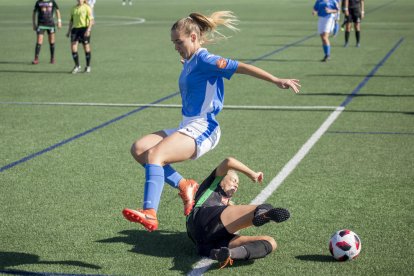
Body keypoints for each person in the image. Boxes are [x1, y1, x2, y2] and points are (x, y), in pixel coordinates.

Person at [122, 11, 300, 232]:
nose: (176, 46)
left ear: (194, 38)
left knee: (156, 155)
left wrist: (276, 80)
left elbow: (240, 67)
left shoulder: (206, 59)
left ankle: (150, 213)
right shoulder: (189, 60)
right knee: (139, 149)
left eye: (179, 41)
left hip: (204, 127)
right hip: (187, 125)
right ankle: (185, 185)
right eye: (173, 43)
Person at [186, 157, 290, 268]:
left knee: (270, 242)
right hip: (202, 217)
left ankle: (229, 254)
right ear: (221, 178)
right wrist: (252, 174)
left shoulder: (226, 204)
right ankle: (262, 214)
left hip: (205, 244)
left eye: (237, 184)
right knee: (266, 207)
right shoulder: (213, 185)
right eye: (233, 180)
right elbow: (229, 161)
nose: (236, 185)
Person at [66, 0, 94, 74]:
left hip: (84, 29)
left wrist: (88, 30)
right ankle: (77, 66)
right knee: (73, 47)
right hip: (75, 30)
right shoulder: (73, 8)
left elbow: (91, 20)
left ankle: (88, 66)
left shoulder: (87, 7)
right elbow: (71, 21)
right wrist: (68, 31)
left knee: (86, 47)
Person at [32, 0, 62, 65]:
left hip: (51, 24)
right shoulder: (38, 2)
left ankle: (52, 58)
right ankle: (36, 59)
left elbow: (57, 11)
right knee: (39, 41)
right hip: (41, 24)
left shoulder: (52, 2)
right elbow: (34, 12)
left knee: (52, 41)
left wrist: (59, 21)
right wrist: (34, 24)